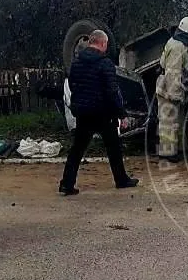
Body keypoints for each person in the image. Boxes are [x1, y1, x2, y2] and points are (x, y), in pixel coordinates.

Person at [58, 29, 138, 196]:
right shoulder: (105, 64)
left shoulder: (77, 62)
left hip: (83, 113)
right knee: (113, 147)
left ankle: (66, 183)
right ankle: (121, 179)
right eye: (106, 44)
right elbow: (112, 92)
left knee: (77, 149)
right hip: (103, 113)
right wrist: (121, 114)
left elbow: (72, 85)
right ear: (102, 43)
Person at [155, 15, 188, 163]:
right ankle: (167, 153)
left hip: (172, 88)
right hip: (169, 91)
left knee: (177, 121)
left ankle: (176, 149)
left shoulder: (178, 43)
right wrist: (176, 95)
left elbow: (187, 53)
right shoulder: (177, 47)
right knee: (169, 122)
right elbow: (173, 74)